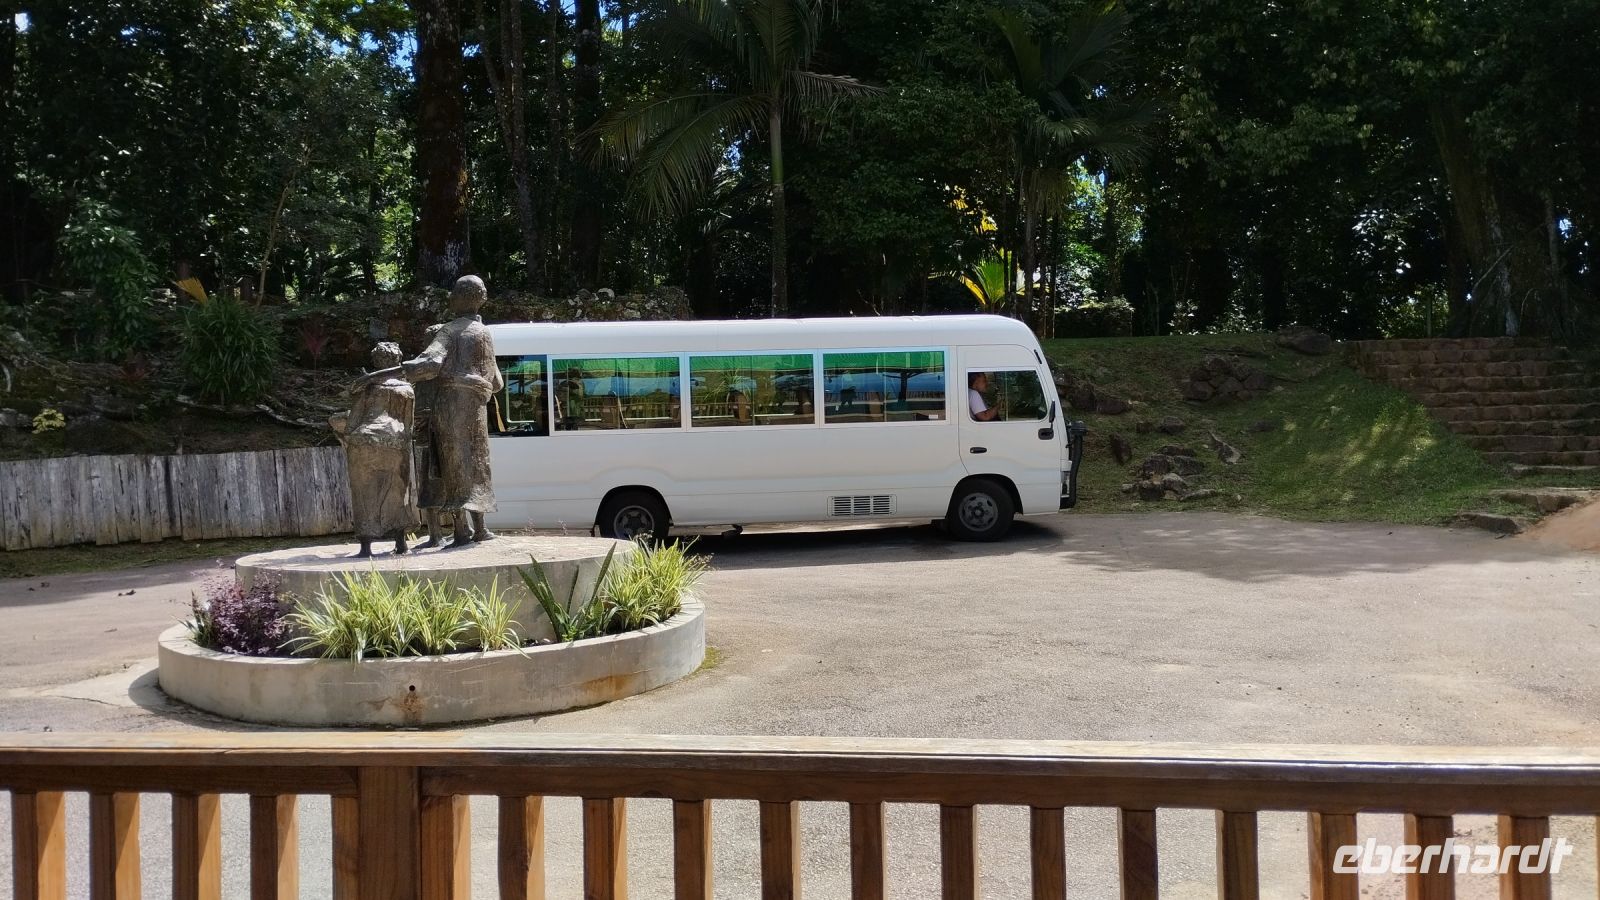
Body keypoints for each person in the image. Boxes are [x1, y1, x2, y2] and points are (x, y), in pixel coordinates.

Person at [356, 275, 504, 547]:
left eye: (453, 294)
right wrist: (475, 383)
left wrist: (379, 375)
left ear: (460, 298)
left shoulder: (449, 331)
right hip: (477, 408)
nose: (450, 298)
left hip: (450, 405)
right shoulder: (485, 333)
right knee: (477, 463)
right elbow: (497, 383)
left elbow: (430, 363)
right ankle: (480, 528)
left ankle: (461, 531)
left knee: (453, 463)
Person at [332, 342, 419, 558]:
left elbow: (354, 418)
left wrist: (348, 436)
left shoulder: (368, 386)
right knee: (397, 492)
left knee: (363, 493)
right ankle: (400, 543)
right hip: (396, 443)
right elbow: (408, 425)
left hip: (364, 442)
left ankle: (366, 547)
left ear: (376, 361)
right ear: (398, 360)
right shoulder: (407, 389)